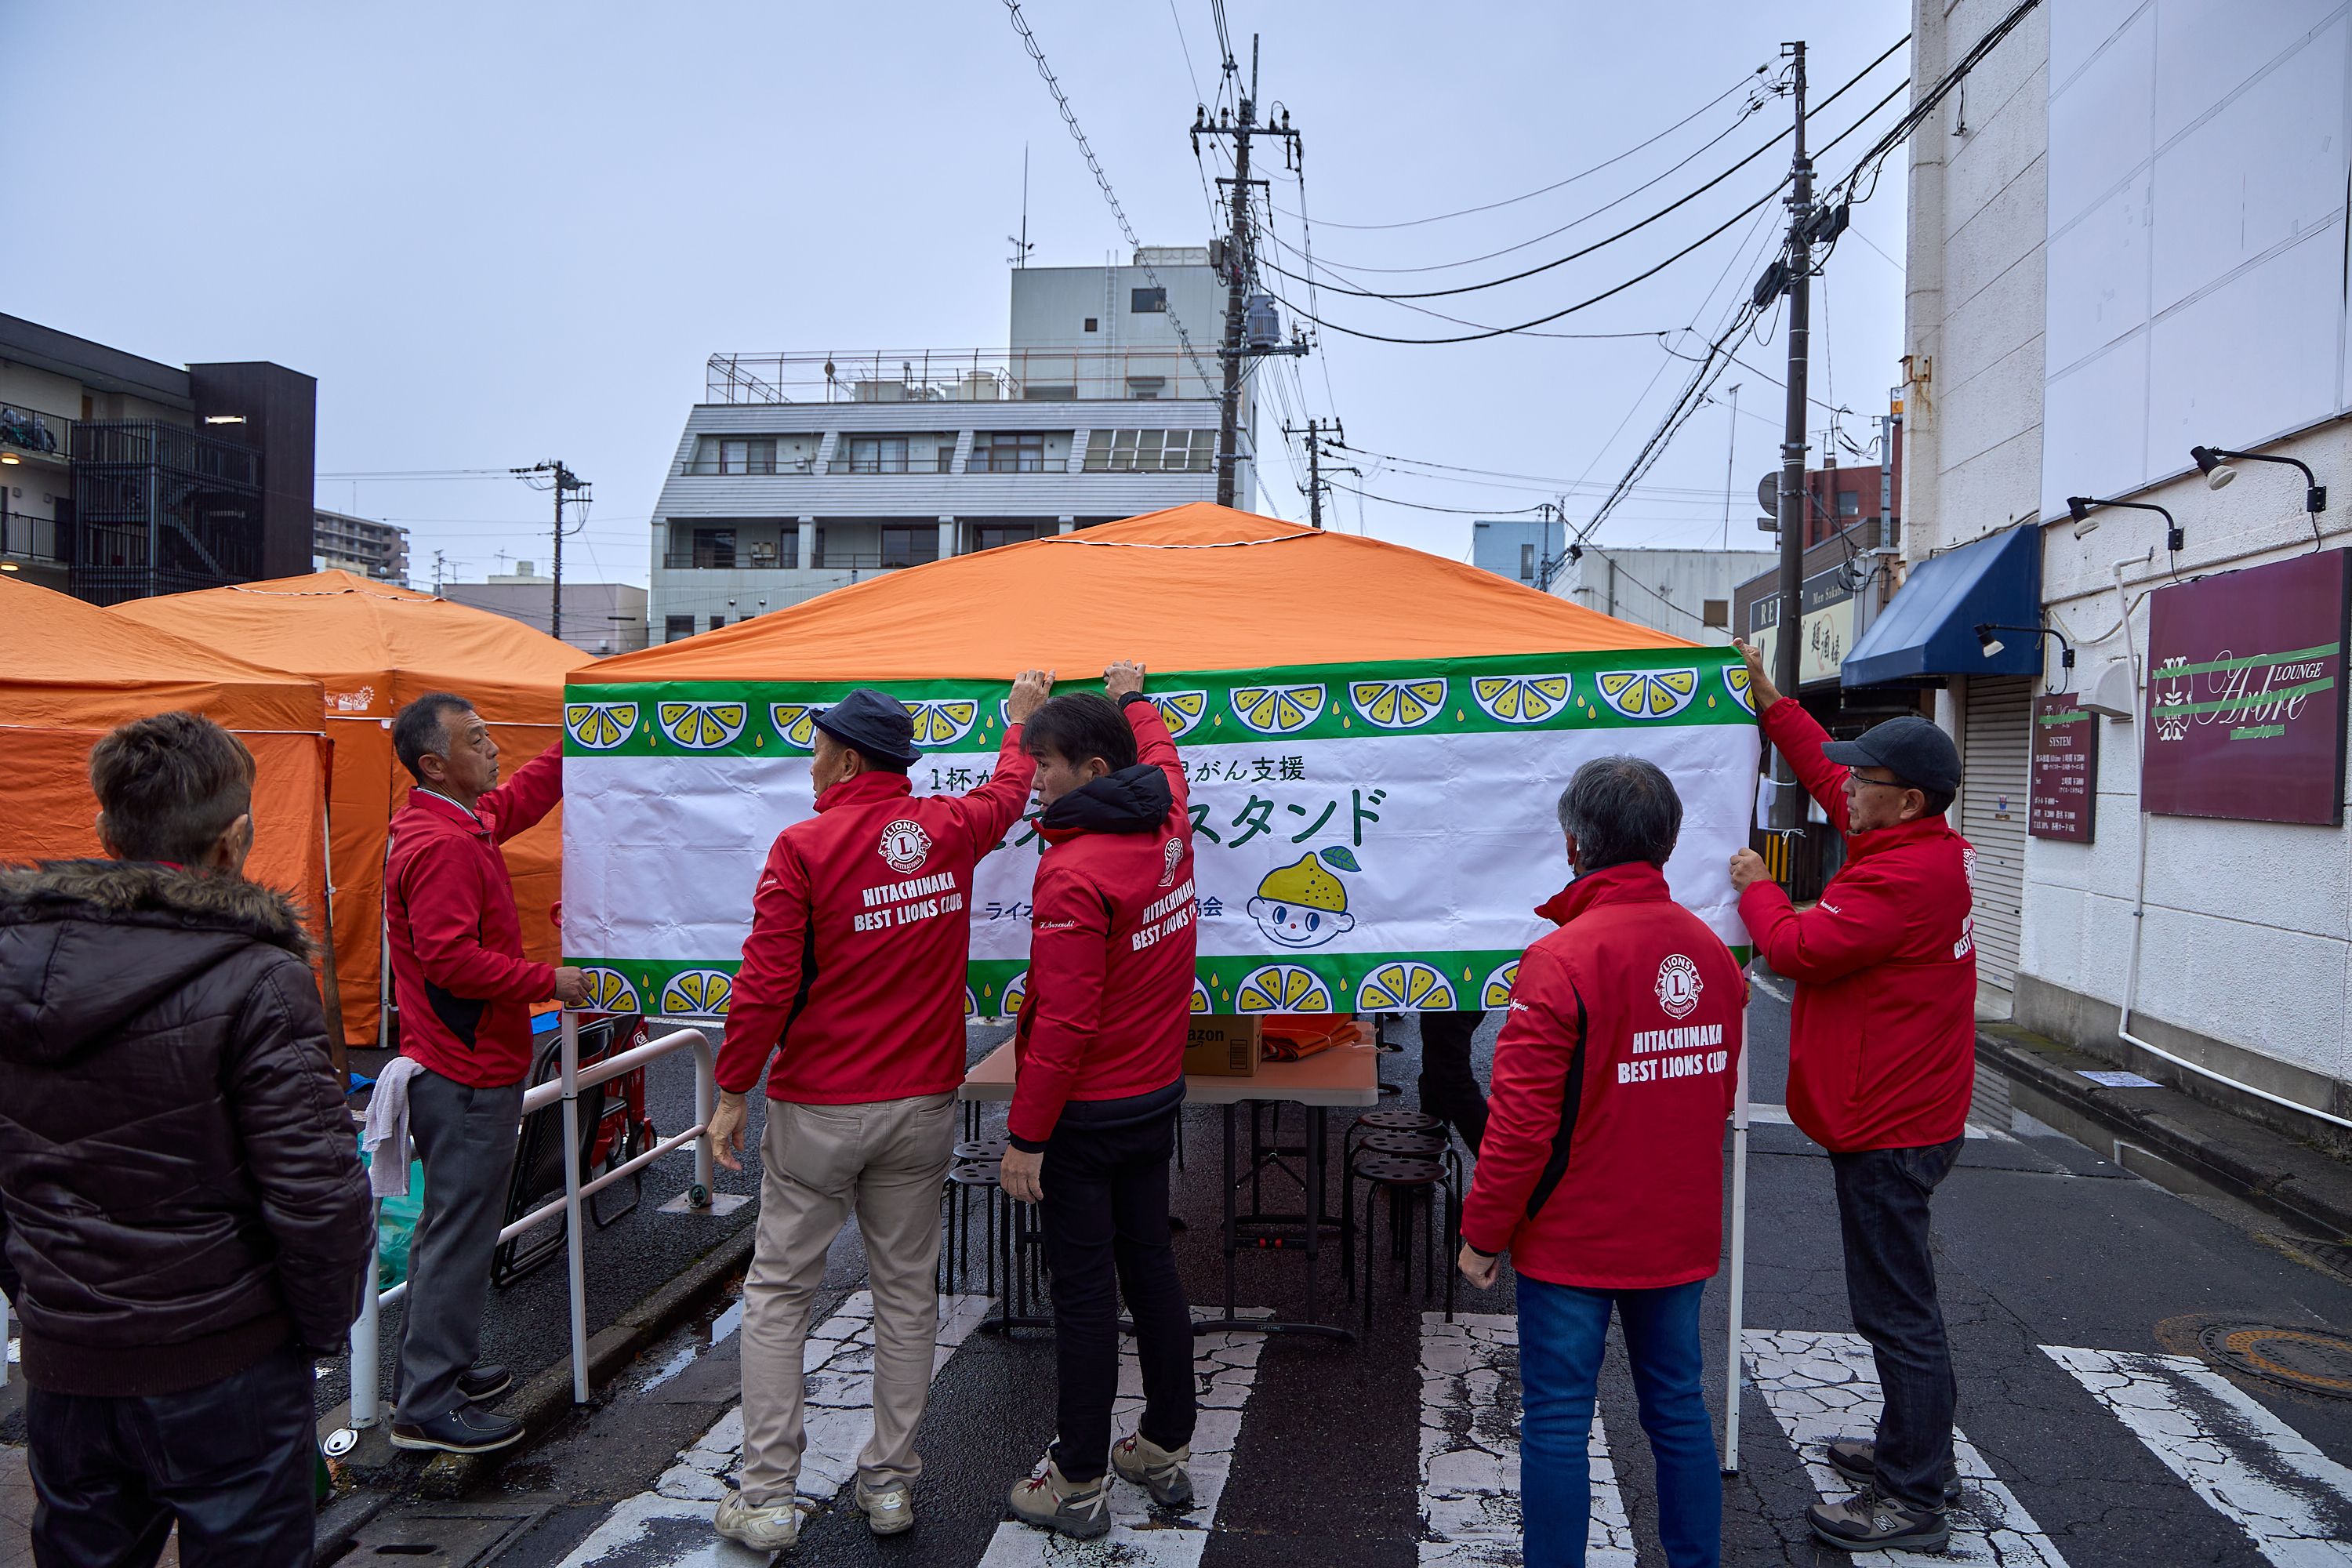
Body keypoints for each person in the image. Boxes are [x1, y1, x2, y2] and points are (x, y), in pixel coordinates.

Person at [0, 711, 373, 1566]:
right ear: (235, 837)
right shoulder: (258, 975)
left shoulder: (12, 958)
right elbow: (316, 1194)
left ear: (102, 827)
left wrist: (37, 1290)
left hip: (67, 1357)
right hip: (225, 1356)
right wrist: (313, 1332)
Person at [702, 675, 1054, 1553]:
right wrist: (1018, 723)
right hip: (923, 1102)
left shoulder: (805, 845)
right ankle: (891, 1482)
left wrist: (733, 1087)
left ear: (849, 755)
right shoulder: (944, 828)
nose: (811, 757)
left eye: (819, 743)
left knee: (781, 1293)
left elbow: (766, 982)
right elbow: (1008, 793)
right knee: (905, 1294)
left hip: (821, 1104)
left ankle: (768, 1494)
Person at [1456, 757, 1743, 1568]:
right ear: (1671, 840)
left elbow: (1518, 1124)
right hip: (1675, 1224)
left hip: (1574, 1234)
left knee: (1555, 1417)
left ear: (1575, 843)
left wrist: (1483, 1233)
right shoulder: (1713, 955)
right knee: (1679, 1408)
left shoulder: (1562, 957)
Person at [1728, 640, 1976, 1554]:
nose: (1848, 788)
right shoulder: (1918, 841)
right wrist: (1774, 704)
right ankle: (1914, 1454)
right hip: (1910, 1104)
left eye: (1867, 779)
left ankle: (1914, 1496)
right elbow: (1830, 780)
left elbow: (1793, 949)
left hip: (1889, 1122)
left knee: (1896, 1310)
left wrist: (1758, 886)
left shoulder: (1897, 876)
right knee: (1899, 1302)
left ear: (1905, 799)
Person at [999, 662, 1198, 1541]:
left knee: (1082, 1295)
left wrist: (1024, 1136)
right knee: (1149, 1266)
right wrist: (1132, 696)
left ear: (1089, 770)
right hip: (1154, 1096)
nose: (1033, 777)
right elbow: (1163, 754)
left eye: (1044, 762)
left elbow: (1068, 1023)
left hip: (1084, 1115)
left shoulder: (1074, 870)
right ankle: (1162, 1442)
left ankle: (1077, 1477)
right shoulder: (1170, 824)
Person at [383, 691, 586, 1455]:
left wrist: (585, 741)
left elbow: (522, 796)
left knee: (457, 1227)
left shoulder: (455, 820)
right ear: (435, 762)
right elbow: (448, 959)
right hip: (464, 1070)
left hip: (460, 1061)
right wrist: (547, 980)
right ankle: (425, 1403)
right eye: (476, 739)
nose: (493, 746)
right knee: (460, 1232)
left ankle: (442, 1370)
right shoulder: (443, 844)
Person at [1417, 1008, 1489, 1153]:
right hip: (1449, 995)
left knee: (1451, 1079)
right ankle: (1426, 1162)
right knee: (1436, 1077)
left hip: (1451, 994)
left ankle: (1503, 1162)